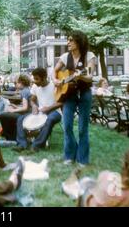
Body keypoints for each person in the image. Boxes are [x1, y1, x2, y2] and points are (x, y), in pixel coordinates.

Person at [52, 30, 96, 166]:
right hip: (68, 94)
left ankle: (82, 158)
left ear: (79, 41)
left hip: (84, 93)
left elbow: (89, 76)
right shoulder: (65, 56)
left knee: (83, 128)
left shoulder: (89, 56)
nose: (68, 42)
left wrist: (81, 76)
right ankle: (69, 155)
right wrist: (55, 80)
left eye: (71, 40)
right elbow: (54, 71)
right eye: (68, 40)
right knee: (67, 126)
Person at [76, 141, 129, 207]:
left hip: (93, 201)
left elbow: (94, 202)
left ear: (126, 164)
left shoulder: (108, 179)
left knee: (85, 182)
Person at [14, 68, 62, 152]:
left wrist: (48, 108)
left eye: (37, 79)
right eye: (34, 78)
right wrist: (34, 106)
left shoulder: (54, 85)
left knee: (49, 119)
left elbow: (61, 102)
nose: (34, 81)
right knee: (20, 119)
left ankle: (36, 145)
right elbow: (32, 100)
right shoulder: (35, 86)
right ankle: (22, 144)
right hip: (40, 112)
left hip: (55, 112)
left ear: (44, 78)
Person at [0, 74, 31, 141]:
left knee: (3, 116)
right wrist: (16, 107)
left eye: (16, 83)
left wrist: (13, 110)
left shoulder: (24, 92)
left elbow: (25, 108)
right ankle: (12, 136)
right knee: (7, 114)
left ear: (21, 82)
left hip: (27, 115)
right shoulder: (27, 90)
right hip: (29, 113)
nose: (15, 85)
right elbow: (27, 107)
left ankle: (10, 137)